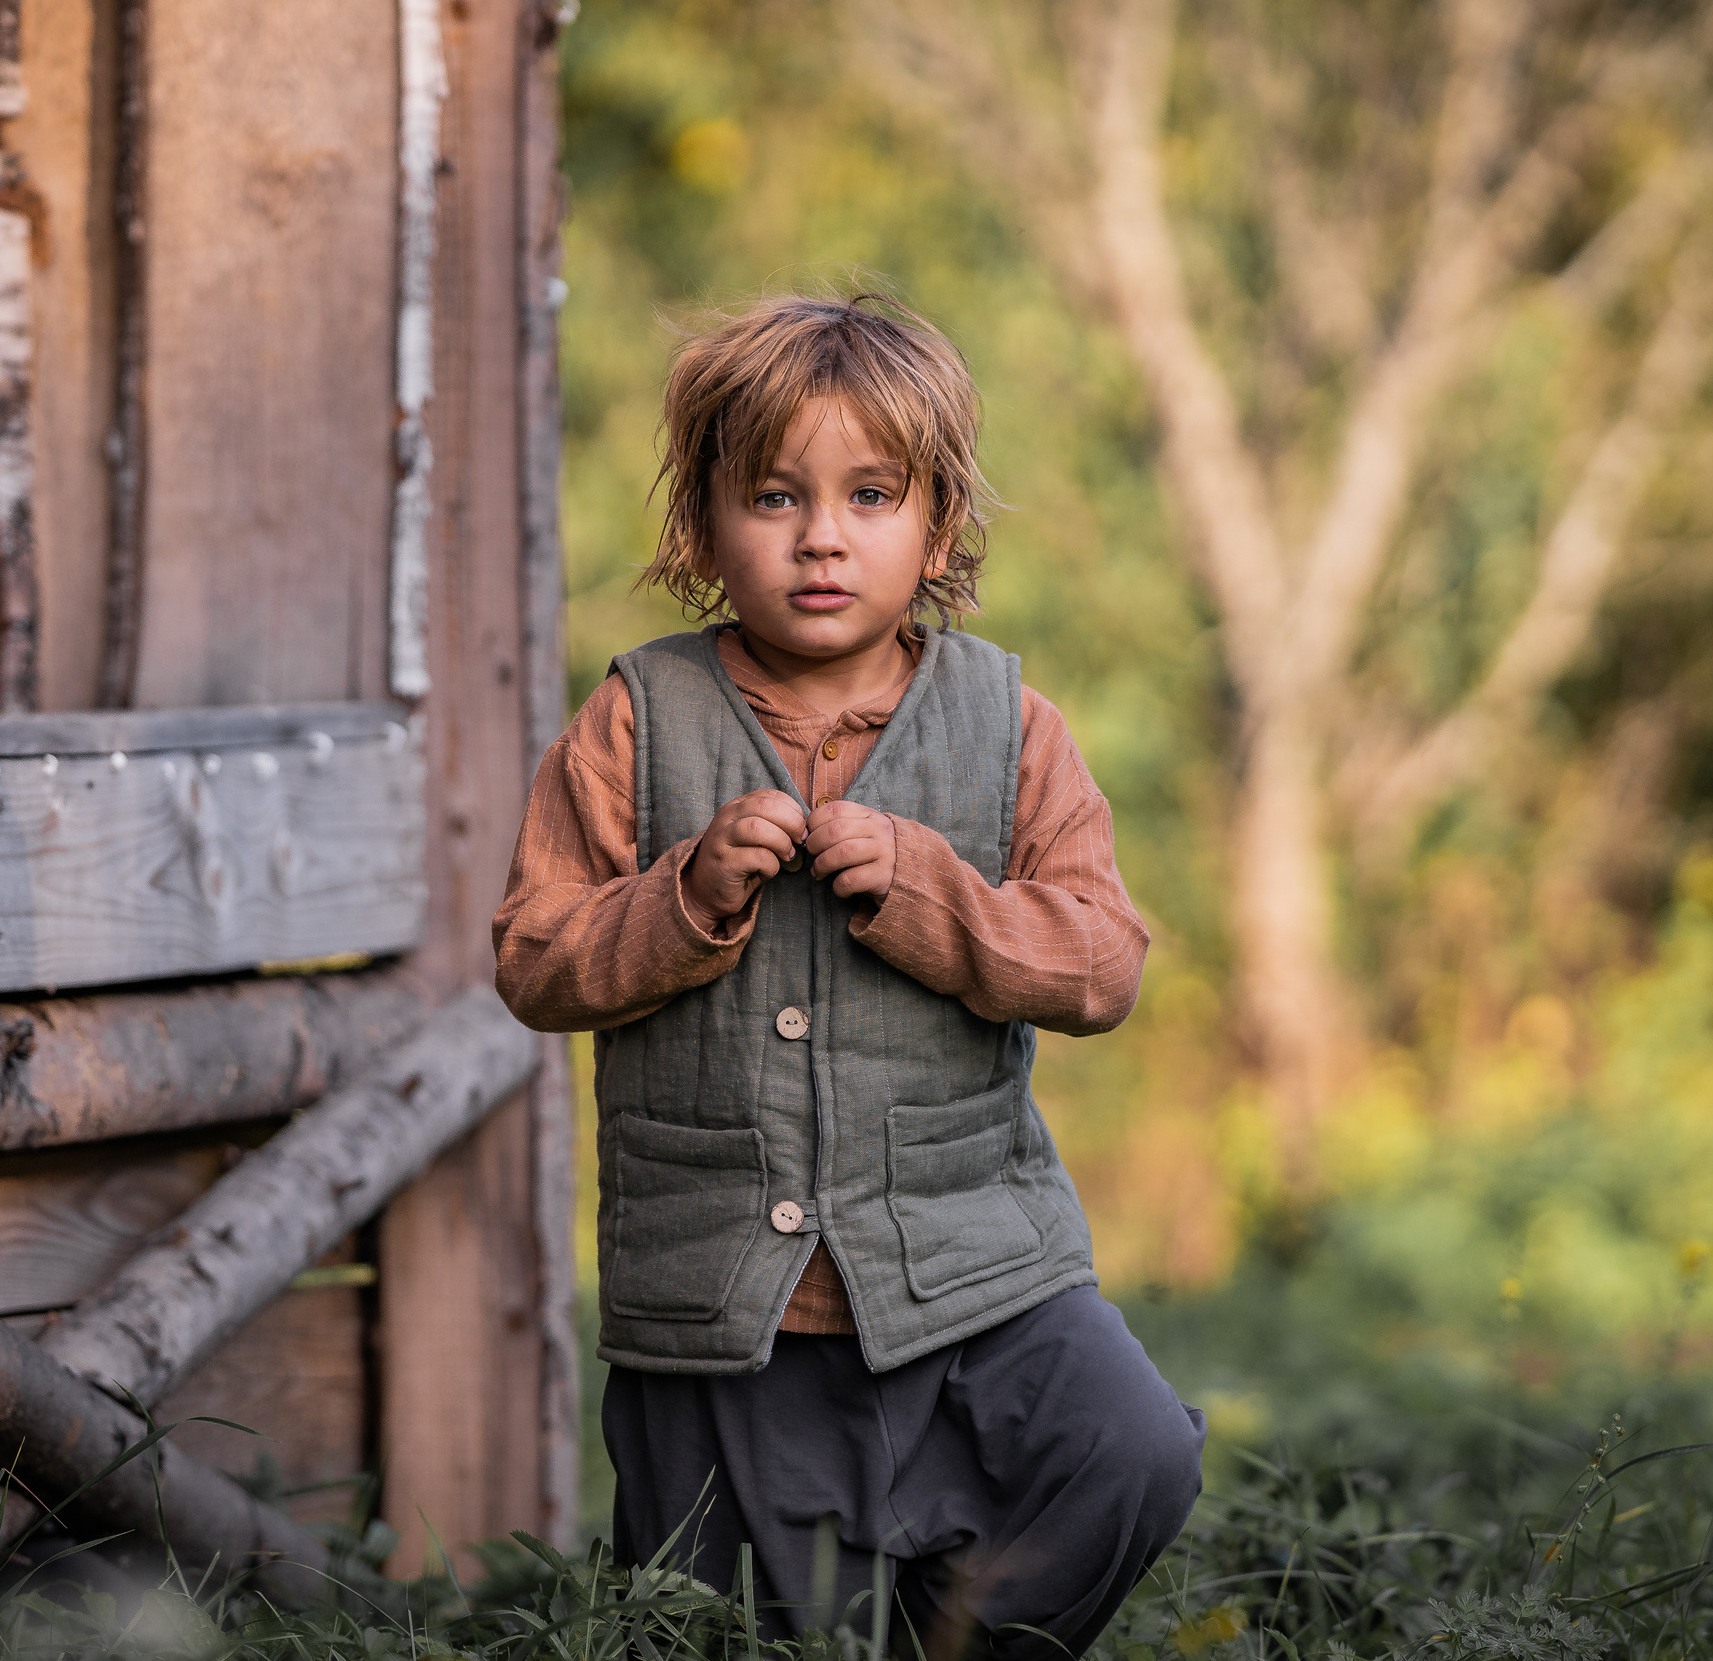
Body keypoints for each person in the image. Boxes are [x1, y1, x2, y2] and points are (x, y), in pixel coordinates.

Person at [493, 291, 1204, 1659]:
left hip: (979, 1270)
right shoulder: (634, 720)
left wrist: (944, 900)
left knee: (1129, 1455)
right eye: (772, 495)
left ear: (936, 527)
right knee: (764, 1633)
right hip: (732, 1314)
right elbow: (535, 957)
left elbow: (1103, 962)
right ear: (701, 527)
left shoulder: (1011, 725)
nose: (821, 535)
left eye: (870, 494)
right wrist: (680, 899)